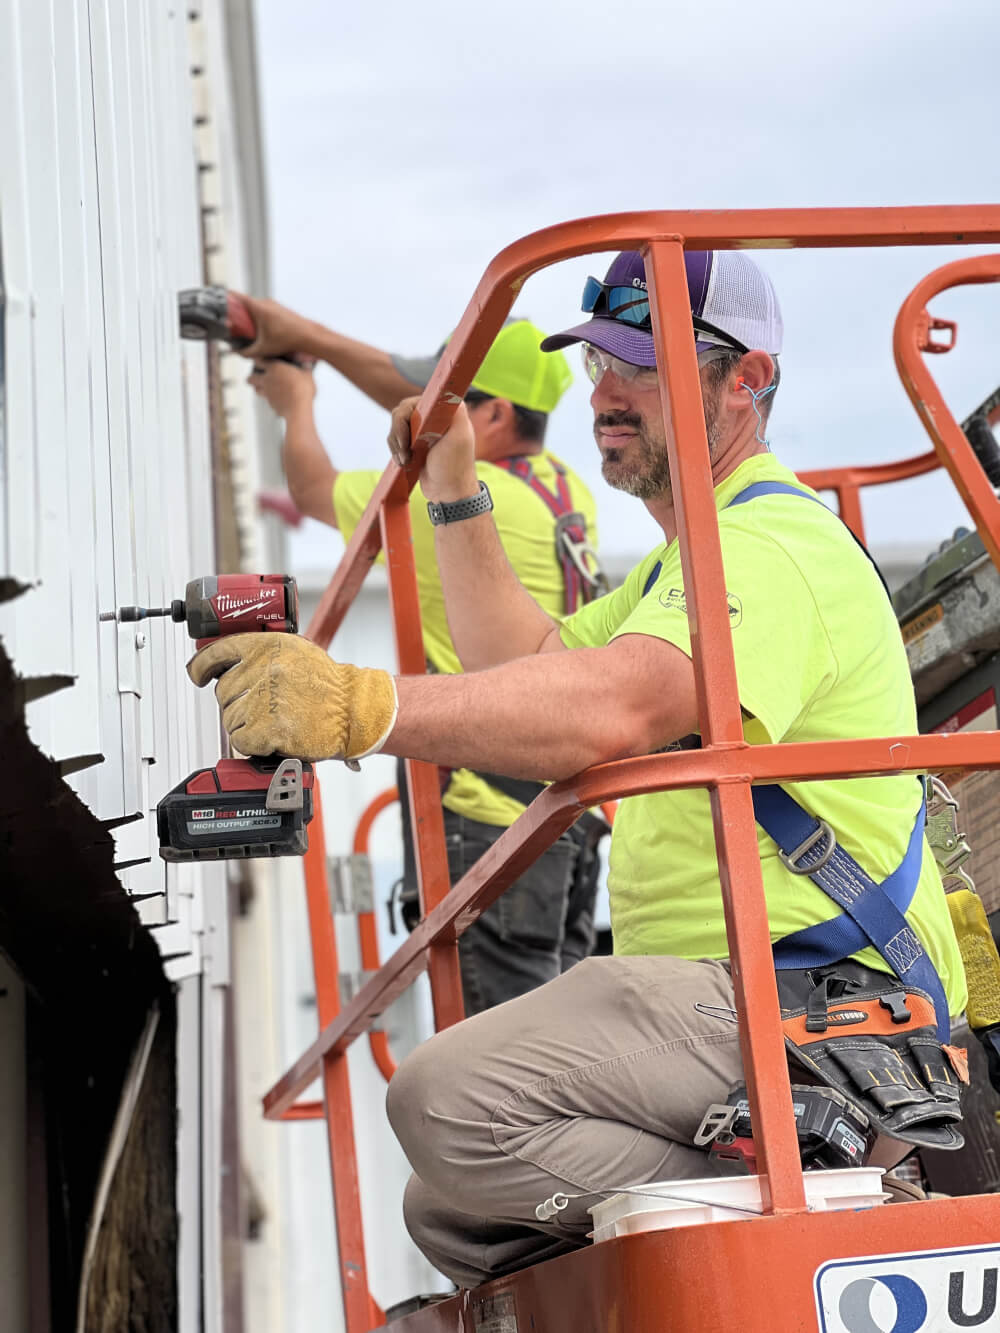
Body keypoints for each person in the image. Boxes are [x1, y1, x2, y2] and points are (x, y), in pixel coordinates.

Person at [192, 251, 967, 1289]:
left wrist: (357, 706)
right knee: (448, 1201)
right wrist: (456, 481)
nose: (606, 392)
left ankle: (835, 1188)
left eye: (642, 366)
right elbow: (533, 670)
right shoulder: (678, 564)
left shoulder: (772, 544)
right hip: (738, 995)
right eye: (600, 361)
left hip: (812, 995)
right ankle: (768, 1191)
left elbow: (614, 707)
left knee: (450, 1103)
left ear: (749, 381)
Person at [236, 298, 608, 1014]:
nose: (428, 418)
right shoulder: (564, 490)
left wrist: (297, 400)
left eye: (453, 405)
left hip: (486, 820)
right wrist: (316, 337)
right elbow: (423, 421)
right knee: (556, 1040)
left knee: (498, 1069)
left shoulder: (476, 494)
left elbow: (312, 488)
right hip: (562, 815)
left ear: (492, 418)